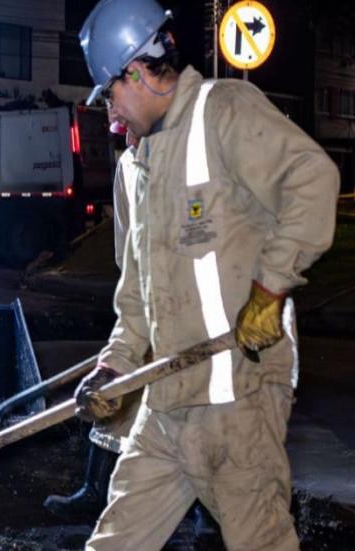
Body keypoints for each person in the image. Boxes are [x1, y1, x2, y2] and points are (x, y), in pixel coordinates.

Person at [74, 0, 339, 549]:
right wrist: (113, 369)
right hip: (165, 407)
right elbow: (137, 299)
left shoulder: (224, 111)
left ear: (137, 72)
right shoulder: (137, 167)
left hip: (236, 402)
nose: (111, 113)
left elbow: (313, 180)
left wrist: (269, 290)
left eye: (110, 93)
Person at [43, 113, 141, 519]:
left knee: (197, 418)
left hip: (186, 307)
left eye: (132, 130)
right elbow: (124, 247)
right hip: (145, 299)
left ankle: (206, 522)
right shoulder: (128, 166)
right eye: (125, 133)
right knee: (113, 395)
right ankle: (95, 490)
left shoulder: (183, 164)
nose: (128, 139)